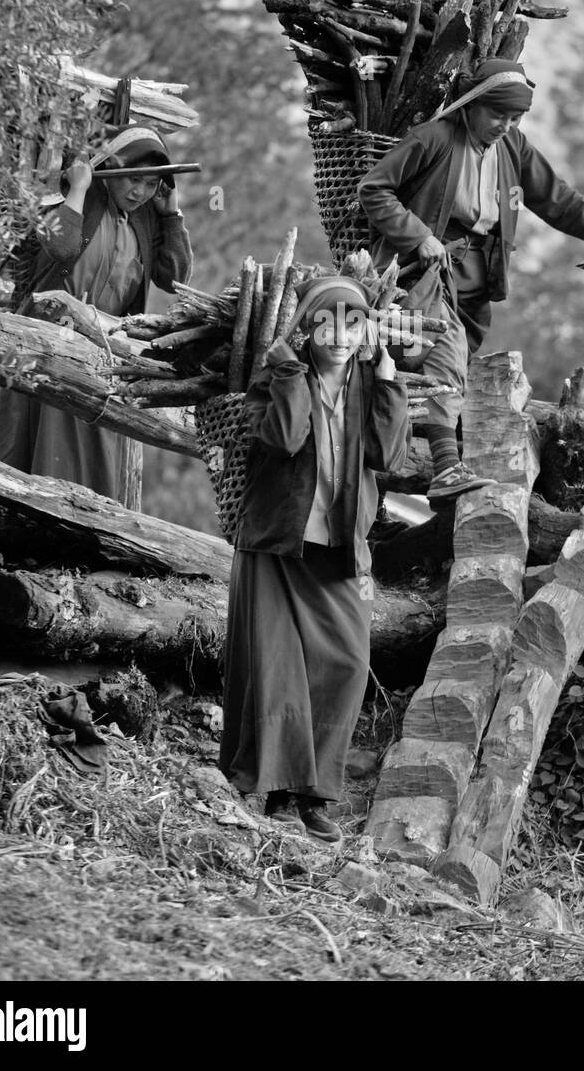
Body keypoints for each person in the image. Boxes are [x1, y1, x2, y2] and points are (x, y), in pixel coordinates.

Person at [358, 57, 584, 502]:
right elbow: (375, 188)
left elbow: (558, 201)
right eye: (498, 114)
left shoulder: (513, 148)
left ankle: (384, 477)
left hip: (478, 281)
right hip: (422, 275)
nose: (506, 124)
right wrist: (419, 236)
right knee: (446, 350)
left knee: (445, 367)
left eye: (515, 117)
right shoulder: (434, 139)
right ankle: (445, 468)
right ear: (472, 104)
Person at [220, 274, 410, 841]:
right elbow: (284, 438)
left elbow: (388, 454)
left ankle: (315, 790)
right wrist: (289, 372)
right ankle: (280, 791)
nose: (340, 335)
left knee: (347, 664)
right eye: (327, 322)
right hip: (277, 541)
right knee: (278, 668)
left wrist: (388, 378)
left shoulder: (368, 382)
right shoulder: (278, 377)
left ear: (366, 331)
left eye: (353, 323)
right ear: (308, 326)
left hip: (339, 548)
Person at [0, 126, 192, 508]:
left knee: (97, 442)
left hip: (104, 350)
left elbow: (176, 277)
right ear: (111, 167)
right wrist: (79, 189)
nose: (139, 192)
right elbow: (62, 249)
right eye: (133, 179)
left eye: (151, 185)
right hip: (48, 338)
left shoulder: (146, 218)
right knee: (40, 443)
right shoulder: (72, 199)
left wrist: (172, 212)